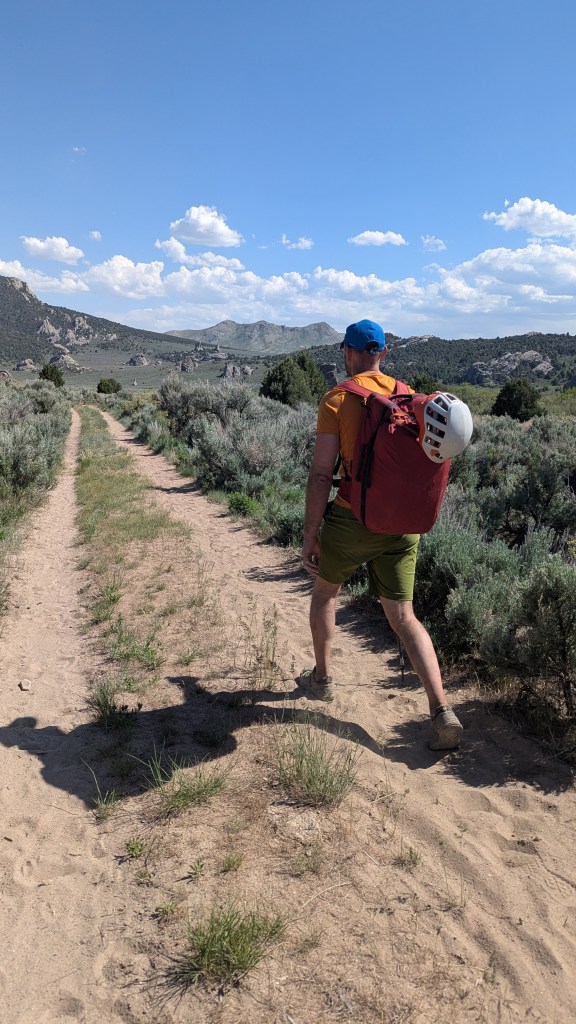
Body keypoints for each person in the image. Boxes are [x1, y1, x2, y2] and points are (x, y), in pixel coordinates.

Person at [299, 318, 463, 750]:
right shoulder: (409, 397)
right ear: (383, 354)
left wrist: (310, 535)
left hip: (353, 520)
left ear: (347, 353)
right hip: (404, 525)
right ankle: (442, 709)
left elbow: (321, 475)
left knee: (325, 595)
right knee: (405, 618)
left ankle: (321, 679)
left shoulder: (336, 399)